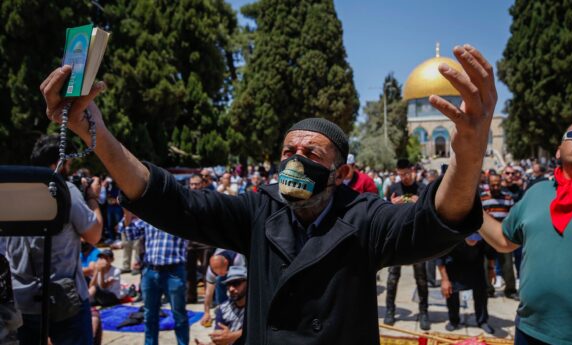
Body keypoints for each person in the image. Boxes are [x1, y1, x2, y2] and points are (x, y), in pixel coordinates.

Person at [40, 44, 496, 344]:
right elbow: (171, 201)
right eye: (287, 151)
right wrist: (94, 134)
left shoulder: (364, 217)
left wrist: (468, 156)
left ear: (342, 173)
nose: (295, 160)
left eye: (311, 153)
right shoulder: (259, 211)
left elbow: (434, 223)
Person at [479, 121, 572, 344]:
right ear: (558, 151)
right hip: (531, 332)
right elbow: (504, 240)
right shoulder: (536, 193)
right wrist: (469, 208)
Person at [5, 135, 103, 345]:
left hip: (20, 301)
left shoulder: (10, 194)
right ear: (55, 165)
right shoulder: (66, 190)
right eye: (68, 164)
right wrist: (93, 197)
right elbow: (94, 235)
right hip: (65, 300)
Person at [121, 218, 189, 345]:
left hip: (173, 271)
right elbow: (130, 234)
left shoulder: (180, 214)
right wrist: (127, 214)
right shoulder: (149, 216)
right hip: (150, 271)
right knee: (149, 315)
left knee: (179, 315)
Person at [383, 159, 430, 330]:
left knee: (422, 279)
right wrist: (391, 205)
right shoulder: (394, 189)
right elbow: (385, 213)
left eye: (406, 174)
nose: (404, 178)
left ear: (413, 171)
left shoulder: (422, 188)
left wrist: (421, 202)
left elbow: (429, 213)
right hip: (397, 239)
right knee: (392, 278)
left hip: (417, 240)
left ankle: (424, 312)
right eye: (400, 175)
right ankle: (390, 310)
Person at [437, 233, 495, 334]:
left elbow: (490, 254)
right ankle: (454, 320)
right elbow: (440, 259)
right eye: (470, 238)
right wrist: (444, 280)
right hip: (454, 267)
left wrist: (491, 270)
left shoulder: (484, 237)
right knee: (451, 293)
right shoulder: (451, 237)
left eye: (476, 239)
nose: (473, 241)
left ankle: (482, 321)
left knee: (481, 293)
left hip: (476, 267)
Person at [480, 174, 517, 300]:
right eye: (493, 185)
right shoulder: (482, 198)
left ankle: (510, 290)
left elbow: (512, 216)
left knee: (507, 265)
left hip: (503, 236)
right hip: (487, 238)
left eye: (497, 184)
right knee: (485, 265)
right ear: (488, 184)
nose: (495, 187)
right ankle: (487, 289)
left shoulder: (508, 198)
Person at [196, 266, 248, 345]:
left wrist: (233, 335)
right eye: (229, 284)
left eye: (236, 283)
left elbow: (260, 330)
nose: (231, 289)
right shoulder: (223, 309)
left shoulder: (259, 306)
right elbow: (220, 340)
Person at [186, 174, 215, 304]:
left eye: (196, 184)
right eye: (191, 184)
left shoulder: (209, 197)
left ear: (202, 184)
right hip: (189, 241)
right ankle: (191, 297)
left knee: (206, 271)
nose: (193, 186)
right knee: (189, 271)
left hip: (205, 241)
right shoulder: (185, 198)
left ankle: (209, 299)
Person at [201, 249, 246, 327]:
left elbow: (244, 281)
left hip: (239, 266)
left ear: (226, 263)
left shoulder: (237, 259)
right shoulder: (211, 270)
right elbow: (208, 293)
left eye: (221, 272)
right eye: (217, 272)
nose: (220, 274)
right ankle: (223, 309)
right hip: (225, 269)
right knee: (219, 281)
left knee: (238, 289)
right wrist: (206, 313)